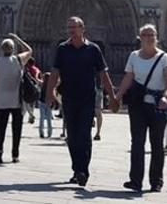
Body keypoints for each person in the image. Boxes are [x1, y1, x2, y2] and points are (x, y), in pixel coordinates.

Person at [46, 16, 118, 188]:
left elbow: (103, 74)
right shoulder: (62, 49)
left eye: (74, 27)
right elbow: (55, 73)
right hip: (69, 98)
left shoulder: (93, 49)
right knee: (72, 136)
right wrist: (50, 93)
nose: (71, 30)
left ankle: (82, 170)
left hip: (87, 98)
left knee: (84, 135)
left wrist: (113, 97)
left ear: (82, 28)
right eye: (68, 27)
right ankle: (76, 168)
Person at [114, 23, 167, 193]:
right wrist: (117, 97)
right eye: (146, 35)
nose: (149, 37)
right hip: (138, 105)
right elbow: (128, 78)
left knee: (157, 144)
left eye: (152, 35)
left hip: (157, 105)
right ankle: (135, 181)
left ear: (157, 37)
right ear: (140, 38)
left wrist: (166, 96)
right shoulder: (133, 56)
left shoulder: (164, 57)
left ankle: (156, 181)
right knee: (137, 143)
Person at [0, 34, 32, 164]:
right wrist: (18, 39)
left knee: (1, 128)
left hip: (2, 100)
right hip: (16, 101)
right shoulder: (18, 59)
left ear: (2, 49)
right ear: (13, 49)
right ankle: (15, 155)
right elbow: (30, 51)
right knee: (16, 129)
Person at [37, 72, 54, 139]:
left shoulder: (42, 84)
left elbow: (37, 80)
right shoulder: (51, 86)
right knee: (49, 119)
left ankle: (41, 132)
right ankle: (49, 133)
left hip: (42, 102)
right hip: (48, 103)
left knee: (42, 118)